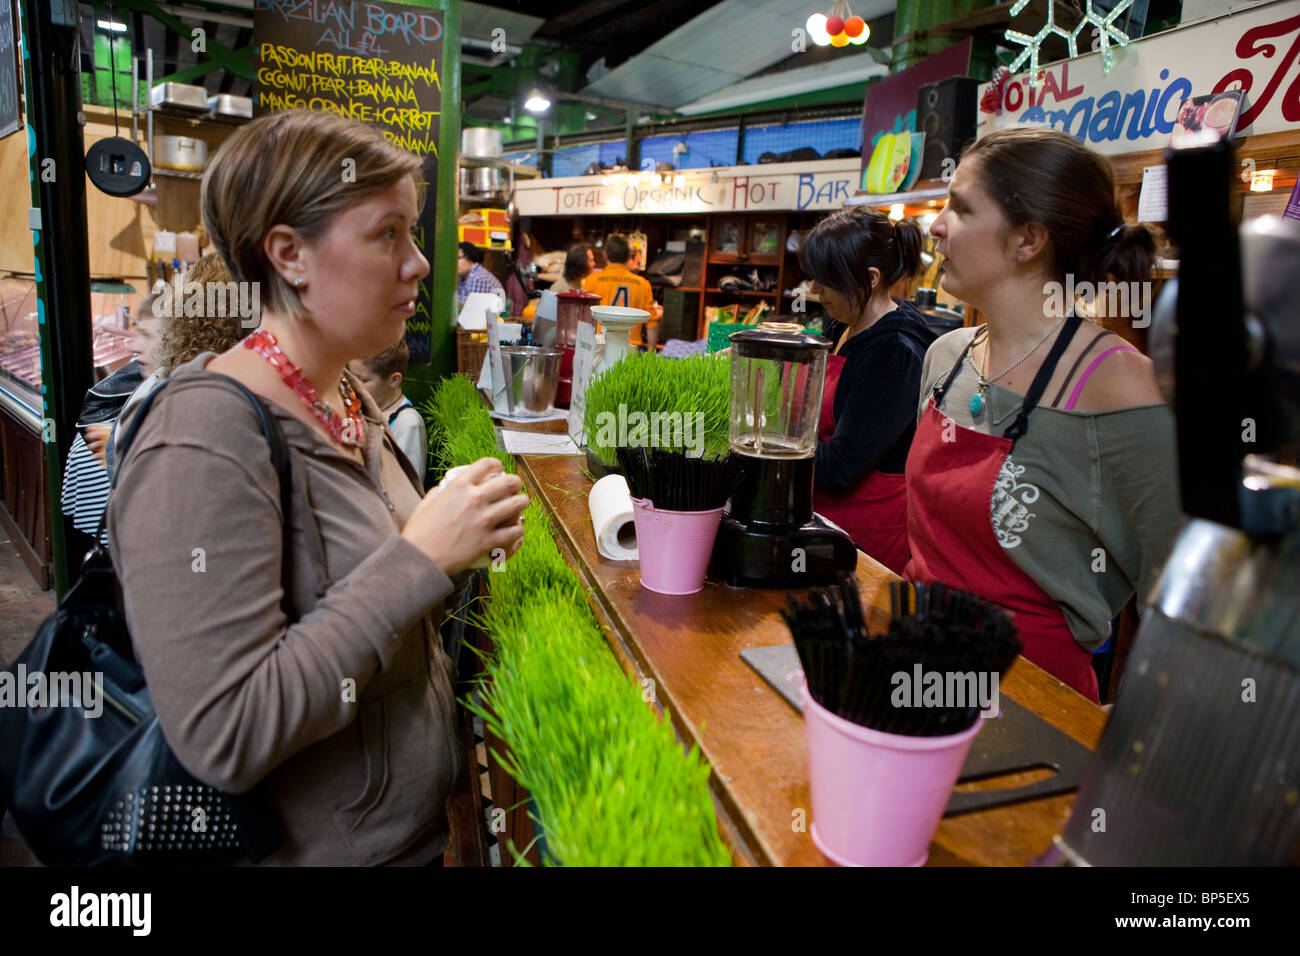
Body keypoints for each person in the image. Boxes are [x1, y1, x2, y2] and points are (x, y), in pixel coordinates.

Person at [107, 109, 529, 865]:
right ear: (289, 253)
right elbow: (225, 733)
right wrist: (421, 558)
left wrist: (464, 543)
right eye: (387, 234)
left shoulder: (343, 395)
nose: (421, 264)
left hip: (423, 835)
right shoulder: (201, 436)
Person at [905, 125, 1182, 703]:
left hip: (1031, 703)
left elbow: (1184, 601)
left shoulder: (1121, 389)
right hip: (914, 663)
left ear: (1027, 239)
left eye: (959, 208)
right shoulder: (946, 358)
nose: (935, 224)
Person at [800, 208, 935, 574]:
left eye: (825, 280)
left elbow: (842, 466)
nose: (814, 291)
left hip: (863, 537)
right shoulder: (842, 324)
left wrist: (773, 447)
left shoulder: (894, 351)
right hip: (823, 518)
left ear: (870, 278)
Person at [349, 339, 427, 485]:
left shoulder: (408, 424)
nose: (353, 385)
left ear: (394, 380)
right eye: (350, 376)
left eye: (362, 380)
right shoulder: (358, 408)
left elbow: (406, 487)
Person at [581, 234, 660, 350]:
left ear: (604, 254)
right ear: (629, 257)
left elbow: (583, 318)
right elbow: (652, 323)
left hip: (600, 345)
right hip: (631, 348)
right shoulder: (643, 284)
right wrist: (652, 356)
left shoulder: (592, 280)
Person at [456, 240, 505, 307]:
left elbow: (471, 309)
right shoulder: (463, 277)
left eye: (458, 258)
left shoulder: (478, 278)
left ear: (470, 257)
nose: (455, 262)